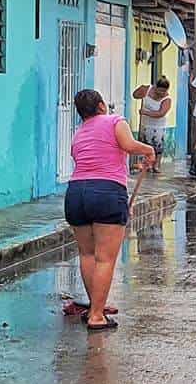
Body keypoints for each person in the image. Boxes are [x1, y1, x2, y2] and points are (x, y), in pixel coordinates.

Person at [64, 89, 157, 331]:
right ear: (102, 106)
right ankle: (96, 315)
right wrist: (148, 150)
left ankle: (96, 306)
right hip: (105, 192)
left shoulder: (79, 133)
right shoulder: (115, 120)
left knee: (87, 254)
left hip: (75, 194)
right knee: (105, 258)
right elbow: (127, 144)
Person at [133, 77, 172, 173]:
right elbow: (135, 95)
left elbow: (161, 113)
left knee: (157, 147)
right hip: (145, 125)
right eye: (160, 90)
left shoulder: (167, 99)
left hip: (158, 127)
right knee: (144, 144)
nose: (162, 93)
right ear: (155, 87)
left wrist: (145, 112)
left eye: (164, 91)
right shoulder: (147, 90)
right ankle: (146, 164)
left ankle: (156, 165)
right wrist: (140, 91)